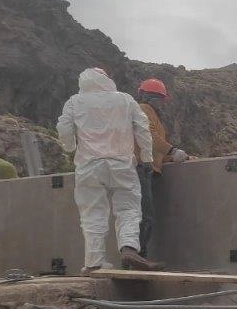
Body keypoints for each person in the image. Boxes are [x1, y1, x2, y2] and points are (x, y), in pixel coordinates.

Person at [56, 68, 160, 274]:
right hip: (122, 163)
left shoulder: (74, 102)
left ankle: (94, 262)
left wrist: (70, 147)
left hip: (89, 166)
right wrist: (147, 158)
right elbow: (143, 129)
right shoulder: (125, 99)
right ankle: (129, 247)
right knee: (129, 208)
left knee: (92, 213)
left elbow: (64, 128)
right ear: (106, 79)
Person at [135, 78, 189, 258]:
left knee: (145, 214)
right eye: (161, 100)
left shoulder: (151, 114)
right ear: (152, 98)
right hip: (140, 169)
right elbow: (148, 137)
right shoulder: (144, 110)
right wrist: (172, 150)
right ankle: (138, 256)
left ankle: (138, 255)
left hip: (146, 169)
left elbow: (154, 150)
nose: (163, 104)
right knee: (144, 215)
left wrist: (172, 156)